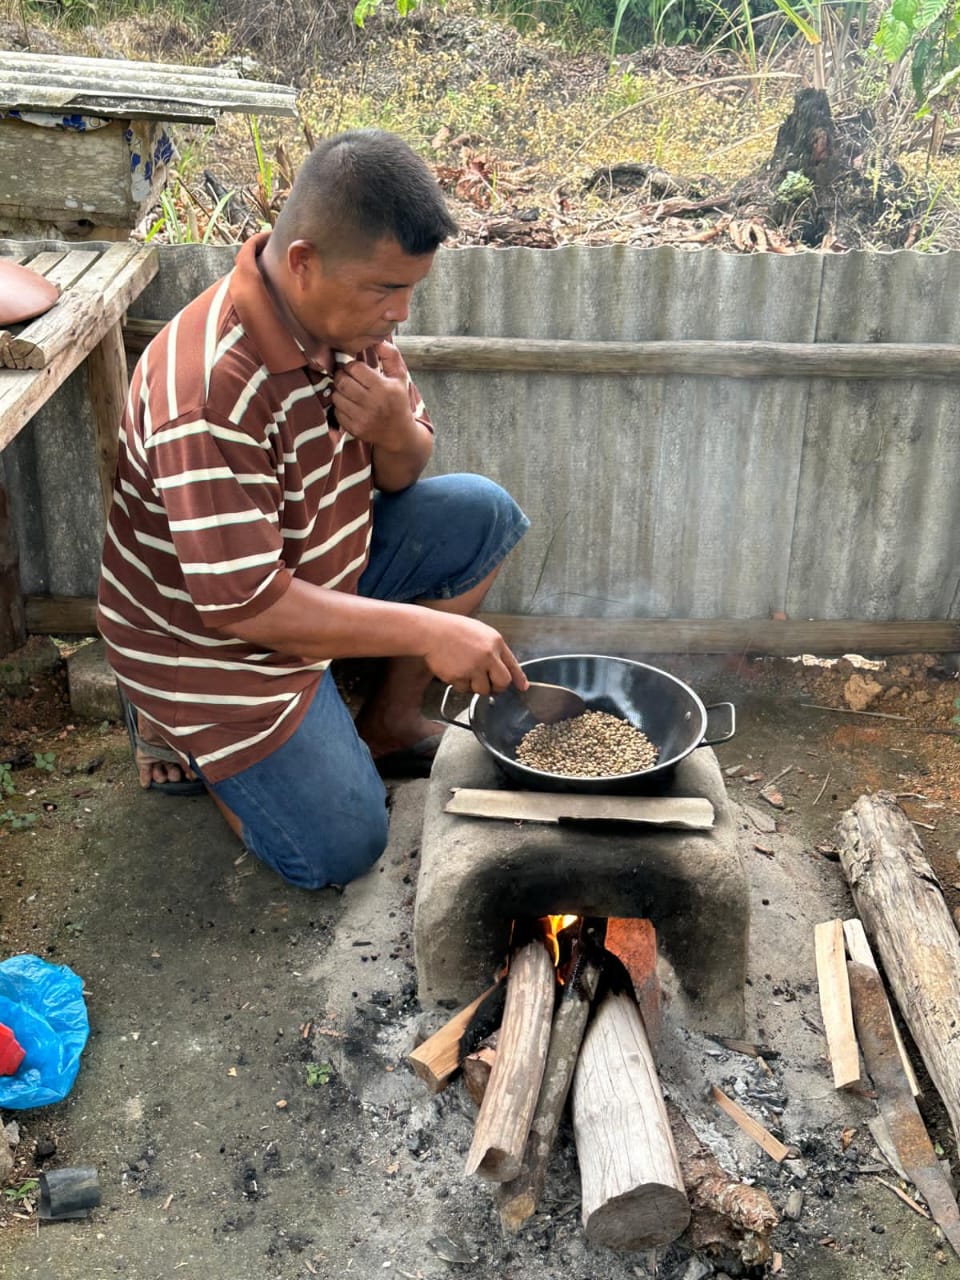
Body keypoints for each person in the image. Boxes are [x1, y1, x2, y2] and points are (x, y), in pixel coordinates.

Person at [97, 129, 530, 890]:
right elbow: (245, 604)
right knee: (341, 848)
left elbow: (405, 475)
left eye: (410, 290)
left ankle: (387, 724)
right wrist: (431, 629)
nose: (400, 313)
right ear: (303, 263)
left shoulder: (349, 325)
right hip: (212, 647)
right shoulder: (208, 388)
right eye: (384, 289)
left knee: (480, 516)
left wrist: (394, 427)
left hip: (319, 572)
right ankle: (187, 741)